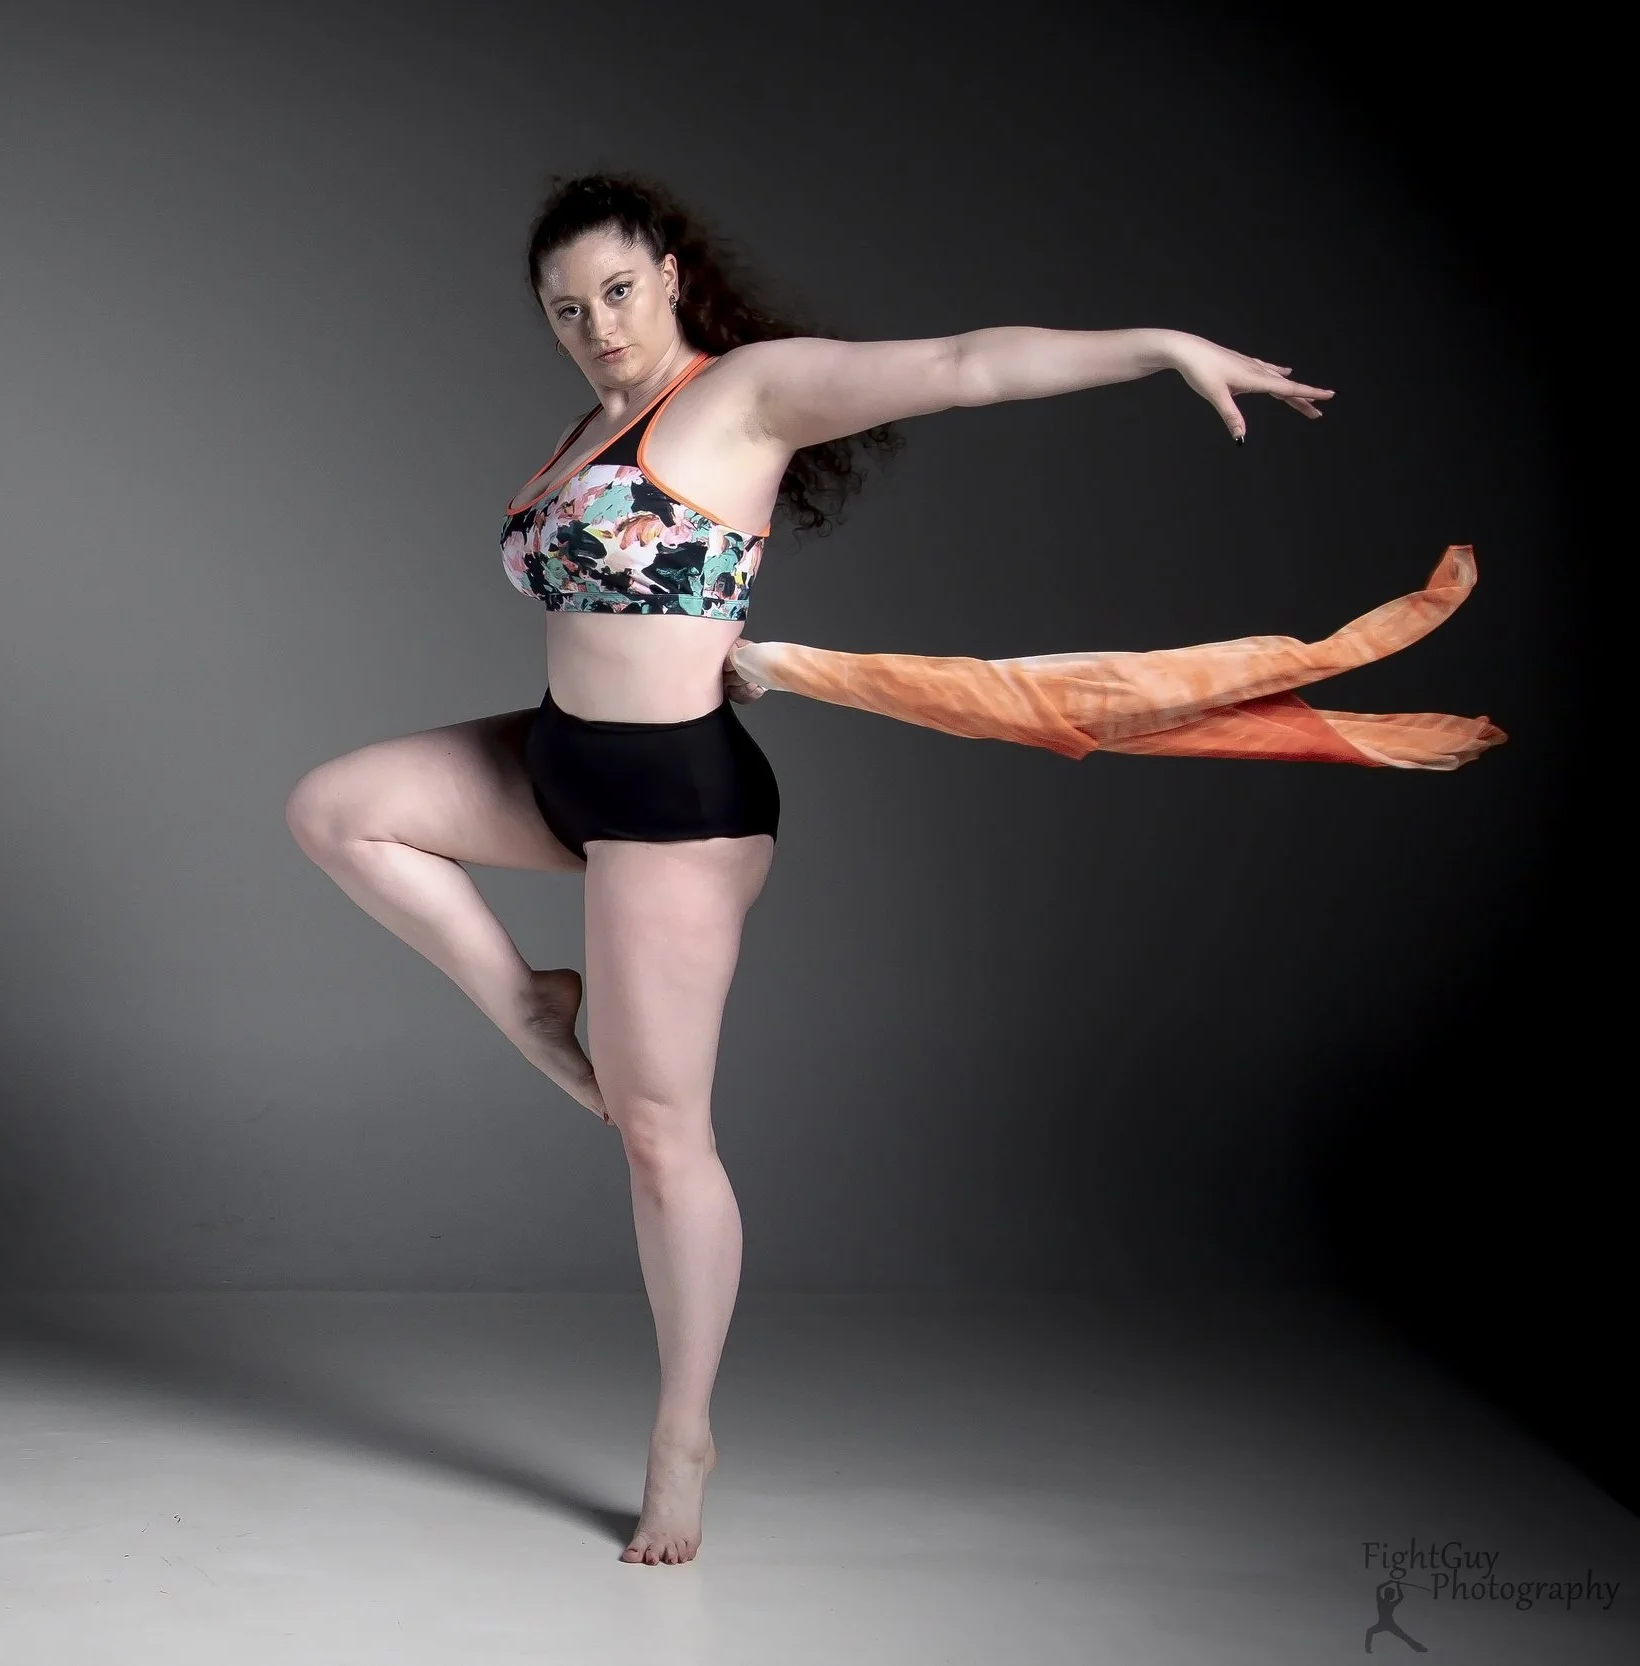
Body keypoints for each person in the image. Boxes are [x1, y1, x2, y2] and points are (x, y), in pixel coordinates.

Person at [283, 172, 1348, 1567]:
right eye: (567, 309)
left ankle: (682, 1433)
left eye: (616, 291)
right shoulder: (592, 422)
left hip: (677, 800)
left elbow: (963, 367)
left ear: (669, 273)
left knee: (663, 1137)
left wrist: (1156, 346)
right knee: (336, 808)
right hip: (561, 764)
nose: (597, 326)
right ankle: (535, 1004)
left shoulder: (747, 394)